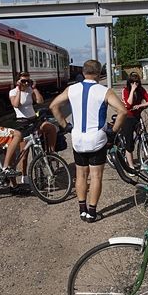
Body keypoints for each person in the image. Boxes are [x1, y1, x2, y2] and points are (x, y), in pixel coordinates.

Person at [50, 59, 127, 222]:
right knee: (96, 176)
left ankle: (82, 209)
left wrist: (66, 125)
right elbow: (122, 111)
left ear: (83, 72)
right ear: (99, 74)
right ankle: (92, 212)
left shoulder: (71, 89)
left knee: (81, 175)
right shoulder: (105, 91)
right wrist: (113, 132)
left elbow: (54, 106)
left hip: (78, 139)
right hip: (97, 139)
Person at [9, 71, 57, 183]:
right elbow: (16, 104)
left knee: (51, 128)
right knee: (24, 153)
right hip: (22, 123)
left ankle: (52, 152)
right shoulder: (13, 92)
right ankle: (24, 176)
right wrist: (19, 89)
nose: (26, 83)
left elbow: (40, 101)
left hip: (34, 121)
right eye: (23, 80)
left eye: (28, 80)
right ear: (18, 81)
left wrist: (34, 88)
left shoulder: (30, 90)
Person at [121, 72, 148, 169]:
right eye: (133, 82)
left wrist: (140, 105)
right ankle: (130, 166)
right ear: (129, 83)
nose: (135, 84)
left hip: (137, 116)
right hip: (128, 118)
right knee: (129, 142)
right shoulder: (125, 90)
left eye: (137, 82)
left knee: (143, 136)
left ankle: (145, 159)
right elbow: (128, 104)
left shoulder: (141, 90)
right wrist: (132, 90)